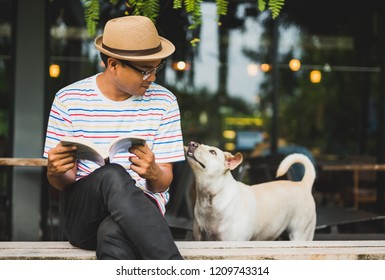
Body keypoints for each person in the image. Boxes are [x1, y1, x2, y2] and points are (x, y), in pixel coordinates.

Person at [43, 16, 185, 260]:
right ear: (113, 64)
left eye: (156, 68)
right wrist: (55, 172)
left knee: (112, 233)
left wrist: (153, 172)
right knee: (112, 174)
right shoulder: (69, 99)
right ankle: (174, 268)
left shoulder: (164, 102)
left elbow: (163, 183)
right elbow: (62, 182)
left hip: (142, 214)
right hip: (84, 216)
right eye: (145, 70)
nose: (152, 77)